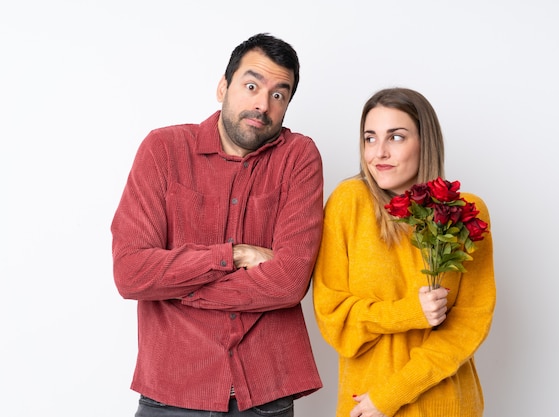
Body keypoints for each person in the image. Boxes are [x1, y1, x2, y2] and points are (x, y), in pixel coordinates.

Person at [111, 33, 324, 417]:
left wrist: (178, 290)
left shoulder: (298, 157)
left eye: (279, 94)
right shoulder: (163, 150)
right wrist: (234, 255)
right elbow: (130, 273)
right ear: (223, 86)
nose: (263, 104)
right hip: (172, 392)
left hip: (264, 394)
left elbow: (291, 282)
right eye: (252, 85)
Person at [312, 88, 495, 417]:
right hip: (364, 404)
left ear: (425, 142)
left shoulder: (467, 213)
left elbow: (469, 325)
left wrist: (392, 394)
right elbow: (334, 319)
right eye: (370, 138)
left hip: (445, 405)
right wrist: (410, 312)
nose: (379, 152)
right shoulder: (348, 203)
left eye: (395, 137)